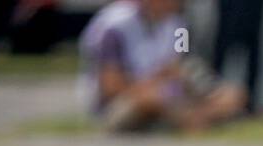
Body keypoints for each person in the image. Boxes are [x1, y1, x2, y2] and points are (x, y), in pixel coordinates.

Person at [80, 0, 246, 132]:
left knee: (233, 94)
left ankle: (193, 118)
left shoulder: (179, 25)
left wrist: (181, 77)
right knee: (151, 98)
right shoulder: (115, 26)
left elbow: (185, 63)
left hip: (172, 96)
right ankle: (192, 120)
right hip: (125, 101)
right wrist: (156, 80)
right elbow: (111, 87)